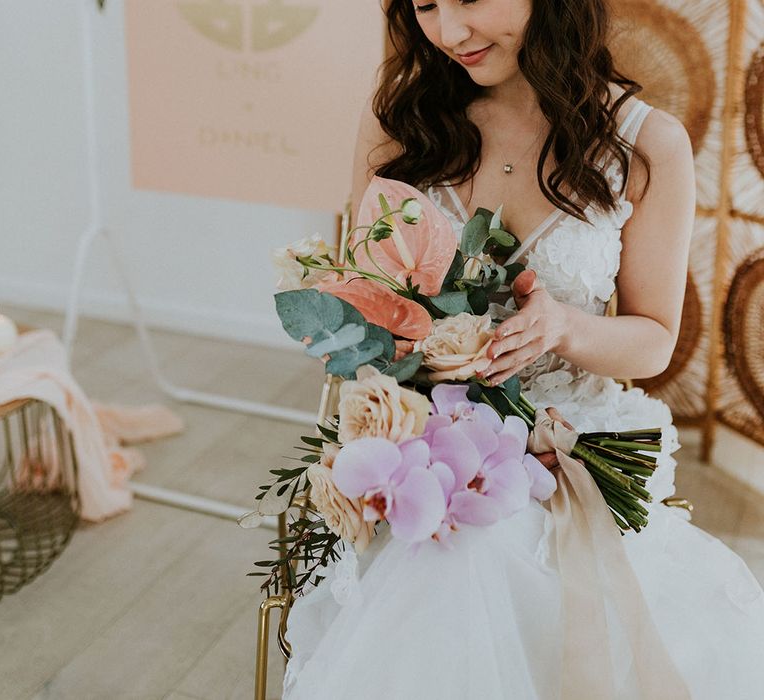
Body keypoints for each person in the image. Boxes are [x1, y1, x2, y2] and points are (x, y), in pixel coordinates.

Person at [281, 1, 764, 697]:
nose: (449, 33)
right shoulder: (398, 124)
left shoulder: (645, 144)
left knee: (487, 560)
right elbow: (369, 307)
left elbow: (655, 342)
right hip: (421, 446)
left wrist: (563, 327)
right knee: (452, 553)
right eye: (426, 6)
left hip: (569, 447)